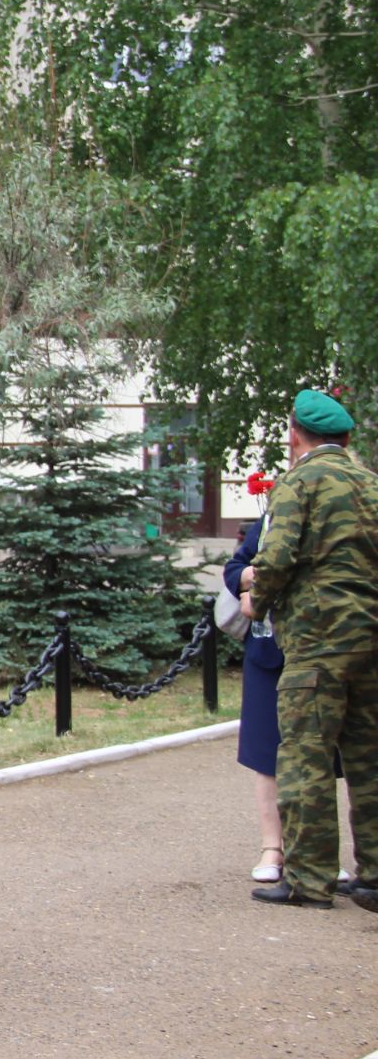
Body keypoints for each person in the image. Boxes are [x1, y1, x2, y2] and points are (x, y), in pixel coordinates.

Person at [242, 389, 378, 912]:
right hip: (371, 642)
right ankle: (374, 874)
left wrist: (257, 600)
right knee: (369, 760)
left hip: (318, 642)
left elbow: (275, 557)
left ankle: (309, 878)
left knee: (305, 755)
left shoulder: (299, 483)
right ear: (346, 438)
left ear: (296, 435)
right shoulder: (370, 483)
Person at [224, 515, 287, 883]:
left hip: (318, 649)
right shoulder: (271, 518)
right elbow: (235, 569)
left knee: (325, 757)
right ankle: (272, 847)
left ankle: (314, 850)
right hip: (267, 649)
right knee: (267, 754)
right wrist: (251, 578)